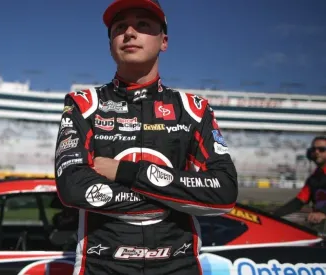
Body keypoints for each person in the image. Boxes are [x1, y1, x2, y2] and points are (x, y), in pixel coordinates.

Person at [54, 0, 238, 274]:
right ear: (110, 44)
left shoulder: (194, 109)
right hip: (102, 266)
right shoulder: (83, 104)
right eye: (119, 27)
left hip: (179, 265)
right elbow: (72, 186)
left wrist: (126, 171)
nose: (129, 32)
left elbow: (223, 191)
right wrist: (173, 198)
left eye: (142, 25)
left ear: (164, 41)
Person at [274, 136, 326, 227]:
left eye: (322, 149)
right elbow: (299, 201)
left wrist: (323, 213)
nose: (316, 152)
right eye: (314, 149)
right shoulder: (313, 178)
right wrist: (273, 216)